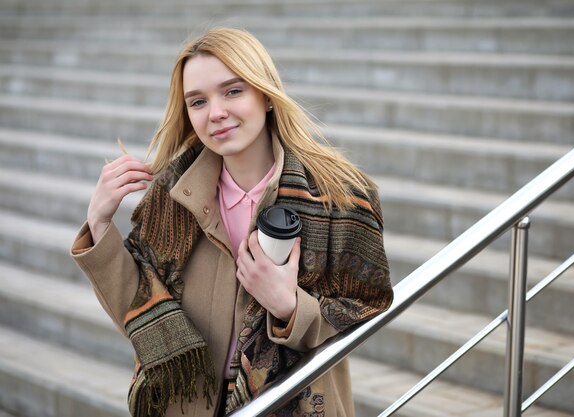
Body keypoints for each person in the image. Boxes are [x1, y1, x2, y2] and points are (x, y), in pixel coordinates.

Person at [71, 27, 393, 417]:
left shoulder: (340, 196)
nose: (216, 113)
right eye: (198, 101)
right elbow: (140, 308)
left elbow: (369, 308)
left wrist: (291, 307)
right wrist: (100, 224)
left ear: (266, 95)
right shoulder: (171, 196)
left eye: (233, 91)